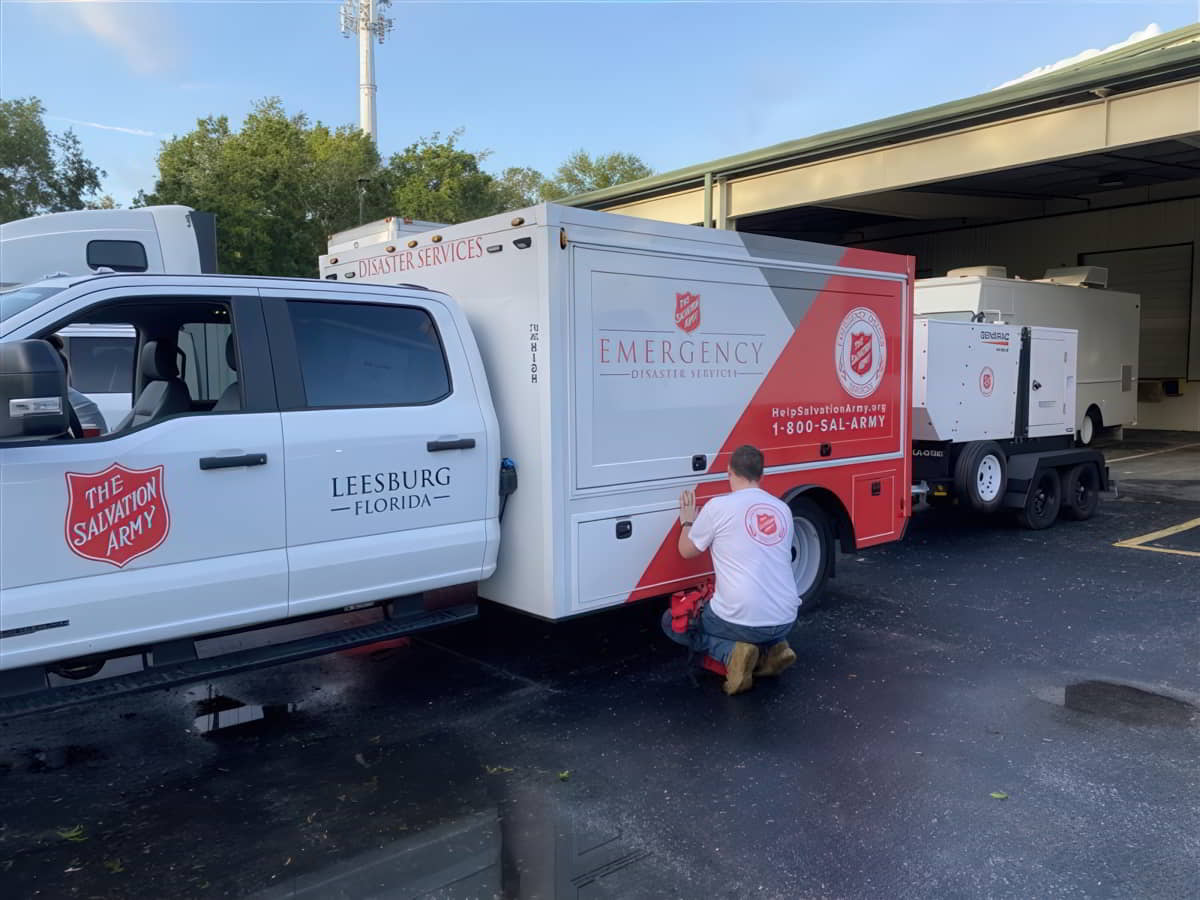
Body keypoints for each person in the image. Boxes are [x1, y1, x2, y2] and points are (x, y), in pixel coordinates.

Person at [662, 444, 799, 695]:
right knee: (758, 622)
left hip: (740, 618)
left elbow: (687, 550)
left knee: (673, 622)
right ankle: (775, 648)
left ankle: (732, 655)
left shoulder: (718, 507)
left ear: (729, 472)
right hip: (786, 618)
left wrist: (687, 520)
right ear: (762, 475)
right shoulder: (783, 509)